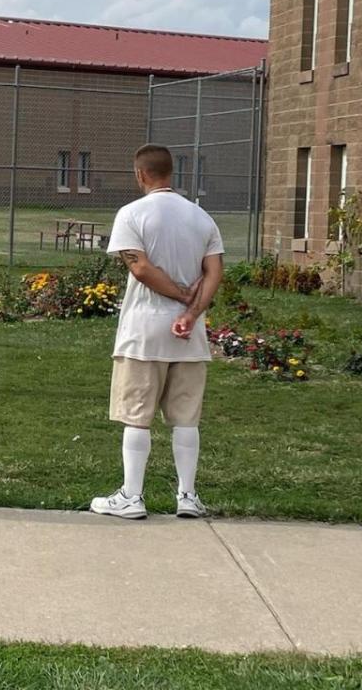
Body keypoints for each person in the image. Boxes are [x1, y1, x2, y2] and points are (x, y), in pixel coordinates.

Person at [90, 143, 223, 520]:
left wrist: (180, 296)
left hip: (143, 331)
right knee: (186, 417)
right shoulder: (201, 218)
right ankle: (187, 495)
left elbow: (141, 268)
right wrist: (192, 311)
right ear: (171, 173)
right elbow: (214, 272)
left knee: (137, 414)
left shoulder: (131, 214)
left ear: (140, 174)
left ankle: (132, 496)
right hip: (190, 337)